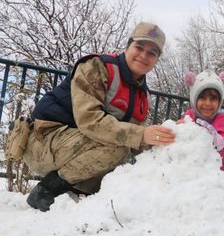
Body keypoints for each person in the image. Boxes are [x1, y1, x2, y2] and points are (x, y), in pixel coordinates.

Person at [22, 22, 176, 212]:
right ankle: (45, 191)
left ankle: (74, 192)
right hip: (42, 141)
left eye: (152, 53)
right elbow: (89, 120)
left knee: (125, 158)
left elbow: (138, 138)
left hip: (74, 146)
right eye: (139, 47)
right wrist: (142, 135)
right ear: (127, 47)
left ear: (156, 60)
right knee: (118, 150)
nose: (144, 55)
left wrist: (170, 140)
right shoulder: (97, 67)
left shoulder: (143, 96)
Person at [178, 70, 224, 182]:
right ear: (194, 99)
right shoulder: (187, 119)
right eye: (202, 98)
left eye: (213, 99)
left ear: (219, 102)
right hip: (194, 174)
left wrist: (221, 144)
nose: (207, 103)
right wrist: (176, 131)